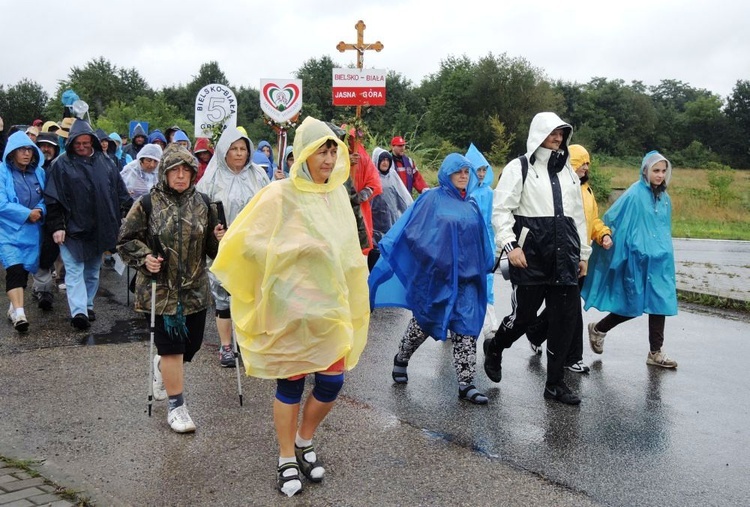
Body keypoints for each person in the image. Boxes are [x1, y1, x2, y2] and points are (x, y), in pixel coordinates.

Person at [210, 117, 369, 497]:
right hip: (290, 308)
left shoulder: (337, 196)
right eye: (322, 151)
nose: (329, 159)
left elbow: (351, 249)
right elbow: (244, 244)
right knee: (291, 383)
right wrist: (298, 249)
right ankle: (285, 457)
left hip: (330, 309)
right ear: (305, 154)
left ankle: (304, 439)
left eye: (333, 150)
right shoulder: (279, 195)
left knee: (332, 381)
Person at [483, 112, 590, 406]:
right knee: (525, 317)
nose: (557, 139)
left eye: (561, 134)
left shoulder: (568, 171)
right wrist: (510, 245)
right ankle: (496, 346)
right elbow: (501, 210)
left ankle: (555, 384)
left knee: (564, 320)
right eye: (552, 133)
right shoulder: (519, 168)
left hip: (565, 255)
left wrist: (582, 253)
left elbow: (578, 216)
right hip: (530, 255)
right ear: (538, 134)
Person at [370, 153, 493, 404]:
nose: (463, 176)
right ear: (447, 174)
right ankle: (402, 357)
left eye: (466, 172)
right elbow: (412, 232)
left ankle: (466, 383)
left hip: (466, 281)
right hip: (437, 278)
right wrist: (435, 257)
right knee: (424, 323)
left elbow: (482, 240)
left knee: (466, 329)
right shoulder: (430, 199)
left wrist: (488, 263)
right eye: (458, 171)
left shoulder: (471, 205)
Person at [117, 144, 221, 433]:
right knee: (173, 349)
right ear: (164, 173)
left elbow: (213, 251)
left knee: (190, 347)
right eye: (174, 170)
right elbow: (125, 240)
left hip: (195, 291)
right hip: (161, 292)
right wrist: (145, 258)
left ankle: (162, 366)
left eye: (186, 170)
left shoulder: (204, 203)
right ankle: (177, 407)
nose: (180, 175)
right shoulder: (147, 204)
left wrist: (219, 238)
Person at [581, 151, 678, 368]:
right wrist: (621, 247)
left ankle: (655, 351)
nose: (660, 175)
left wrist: (665, 252)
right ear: (646, 170)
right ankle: (599, 329)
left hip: (660, 260)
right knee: (632, 304)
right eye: (656, 170)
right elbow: (614, 218)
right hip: (637, 259)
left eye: (663, 171)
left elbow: (663, 229)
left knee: (659, 303)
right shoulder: (634, 194)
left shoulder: (664, 199)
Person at [526, 144, 612, 373]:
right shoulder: (559, 188)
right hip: (564, 255)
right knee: (571, 307)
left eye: (587, 163)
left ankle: (535, 332)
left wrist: (603, 233)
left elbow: (591, 221)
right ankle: (572, 357)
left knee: (564, 305)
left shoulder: (587, 190)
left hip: (582, 256)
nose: (584, 167)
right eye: (579, 162)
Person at [44, 120, 133, 329]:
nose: (83, 147)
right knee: (74, 270)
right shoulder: (60, 164)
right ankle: (79, 312)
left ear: (92, 141)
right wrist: (57, 226)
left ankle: (87, 305)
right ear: (71, 143)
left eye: (86, 143)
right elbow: (52, 199)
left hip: (99, 227)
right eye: (78, 144)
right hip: (71, 229)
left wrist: (135, 212)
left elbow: (120, 192)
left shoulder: (106, 162)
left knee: (92, 271)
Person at [196, 127, 270, 367]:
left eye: (243, 149)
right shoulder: (212, 177)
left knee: (251, 294)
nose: (239, 154)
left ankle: (250, 343)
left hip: (252, 246)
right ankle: (226, 345)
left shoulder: (258, 175)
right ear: (223, 151)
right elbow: (200, 210)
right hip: (222, 246)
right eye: (234, 149)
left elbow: (270, 206)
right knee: (223, 296)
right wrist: (212, 230)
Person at [0, 132, 46, 332]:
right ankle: (20, 314)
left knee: (24, 270)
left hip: (32, 231)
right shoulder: (2, 172)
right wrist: (26, 213)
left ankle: (13, 308)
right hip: (8, 230)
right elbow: (1, 203)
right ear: (12, 153)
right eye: (22, 150)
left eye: (29, 149)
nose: (26, 154)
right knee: (14, 268)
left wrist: (41, 210)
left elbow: (47, 197)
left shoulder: (39, 172)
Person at [465, 143, 498, 339]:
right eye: (478, 169)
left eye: (485, 169)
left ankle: (490, 326)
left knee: (487, 282)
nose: (482, 173)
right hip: (466, 245)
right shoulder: (464, 192)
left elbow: (494, 219)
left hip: (485, 243)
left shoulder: (488, 193)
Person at [30, 133, 62, 310]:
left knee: (53, 253)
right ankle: (43, 290)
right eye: (42, 145)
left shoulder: (61, 166)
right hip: (36, 217)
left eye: (50, 146)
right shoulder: (31, 167)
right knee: (40, 255)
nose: (46, 149)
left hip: (56, 217)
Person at [369, 147, 412, 241]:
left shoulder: (393, 175)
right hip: (376, 220)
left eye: (387, 160)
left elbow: (402, 196)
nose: (385, 163)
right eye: (382, 160)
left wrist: (410, 213)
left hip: (392, 218)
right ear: (377, 161)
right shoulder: (371, 177)